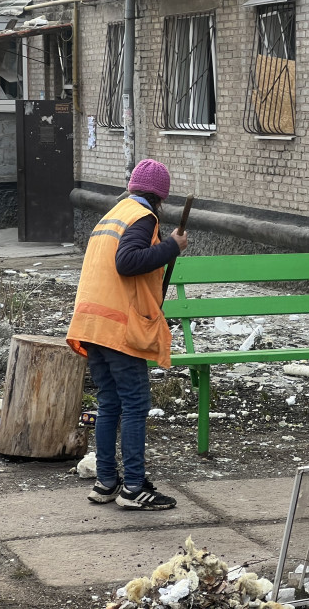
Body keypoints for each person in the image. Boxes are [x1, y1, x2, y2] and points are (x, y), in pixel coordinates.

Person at [66, 159, 189, 510]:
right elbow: (128, 262)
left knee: (110, 403)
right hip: (119, 328)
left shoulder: (113, 214)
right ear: (160, 198)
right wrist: (172, 247)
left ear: (133, 187)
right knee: (135, 405)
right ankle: (133, 487)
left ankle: (106, 482)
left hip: (93, 324)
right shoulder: (143, 217)